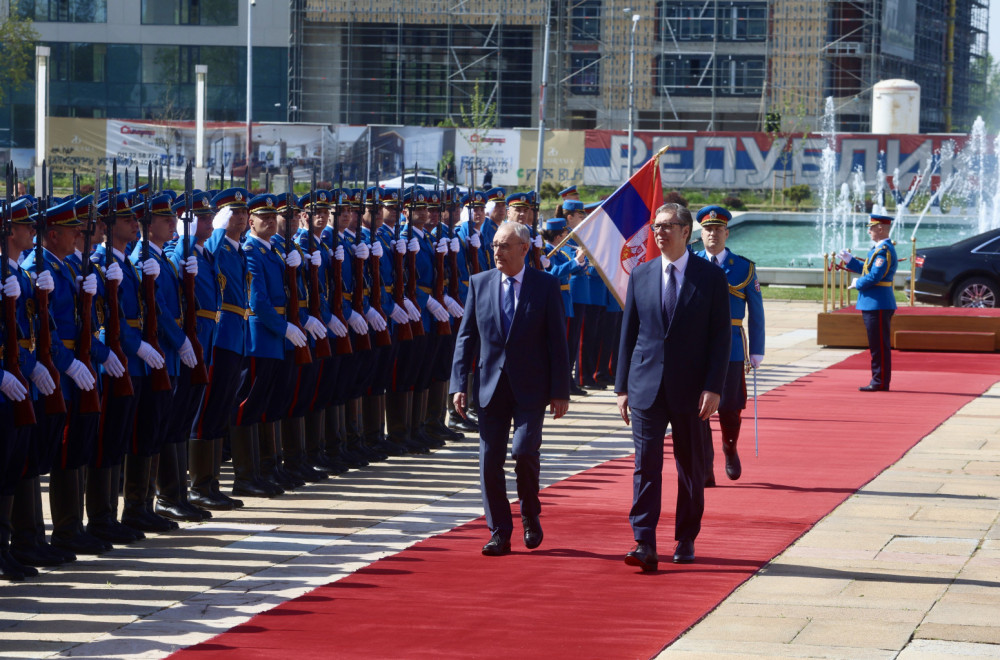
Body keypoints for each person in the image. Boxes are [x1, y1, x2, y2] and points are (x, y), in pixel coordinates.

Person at [615, 203, 730, 572]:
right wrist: (622, 387)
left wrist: (713, 387)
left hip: (693, 390)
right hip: (646, 386)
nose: (660, 233)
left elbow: (720, 338)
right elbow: (628, 335)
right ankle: (644, 540)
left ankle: (686, 536)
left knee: (690, 467)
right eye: (656, 227)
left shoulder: (710, 278)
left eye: (668, 227)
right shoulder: (642, 274)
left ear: (686, 231)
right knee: (644, 465)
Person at [451, 222, 570, 557]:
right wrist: (459, 385)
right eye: (494, 246)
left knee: (524, 452)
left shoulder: (545, 285)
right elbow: (466, 338)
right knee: (489, 461)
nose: (497, 252)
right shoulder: (480, 282)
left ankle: (530, 513)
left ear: (524, 249)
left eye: (504, 246)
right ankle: (500, 531)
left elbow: (557, 343)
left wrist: (560, 392)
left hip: (532, 388)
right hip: (490, 388)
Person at [694, 205, 765, 483]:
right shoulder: (689, 262)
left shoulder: (744, 267)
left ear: (727, 233)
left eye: (718, 229)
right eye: (708, 229)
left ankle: (730, 447)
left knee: (730, 408)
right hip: (696, 348)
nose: (713, 234)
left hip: (732, 347)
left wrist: (757, 349)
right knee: (697, 409)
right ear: (700, 234)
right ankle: (705, 465)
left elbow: (756, 311)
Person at [837, 214, 897, 391]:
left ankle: (880, 381)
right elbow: (866, 269)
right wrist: (850, 261)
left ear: (880, 228)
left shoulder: (884, 250)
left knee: (879, 345)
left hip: (878, 303)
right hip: (874, 302)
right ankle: (879, 380)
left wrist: (858, 283)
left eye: (871, 227)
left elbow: (874, 276)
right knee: (876, 345)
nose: (868, 230)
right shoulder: (878, 249)